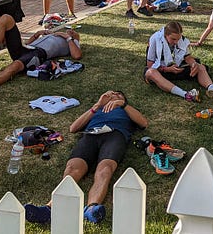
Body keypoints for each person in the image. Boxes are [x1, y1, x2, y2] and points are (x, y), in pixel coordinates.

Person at [23, 90, 148, 225]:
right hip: (90, 135)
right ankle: (50, 208)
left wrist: (122, 105)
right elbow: (73, 128)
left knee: (105, 169)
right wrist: (96, 106)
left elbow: (143, 123)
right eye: (110, 95)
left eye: (118, 95)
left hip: (115, 135)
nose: (113, 96)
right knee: (72, 169)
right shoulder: (97, 110)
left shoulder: (126, 110)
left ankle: (91, 208)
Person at [0, 13, 82, 90]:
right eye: (70, 31)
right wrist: (36, 35)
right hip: (26, 49)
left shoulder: (72, 42)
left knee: (15, 66)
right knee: (6, 18)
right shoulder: (55, 36)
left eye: (73, 32)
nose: (70, 31)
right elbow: (28, 45)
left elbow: (77, 56)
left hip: (38, 54)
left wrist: (68, 37)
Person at [144, 21, 213, 102]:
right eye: (173, 39)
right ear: (165, 35)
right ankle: (185, 94)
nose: (176, 42)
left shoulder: (181, 39)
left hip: (174, 68)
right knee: (151, 72)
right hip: (160, 70)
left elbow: (187, 57)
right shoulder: (155, 39)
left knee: (200, 66)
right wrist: (167, 69)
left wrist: (193, 64)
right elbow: (150, 64)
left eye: (177, 39)